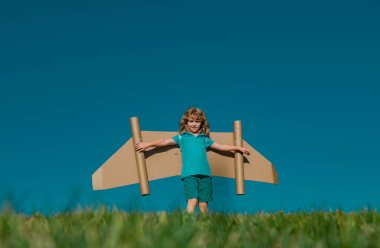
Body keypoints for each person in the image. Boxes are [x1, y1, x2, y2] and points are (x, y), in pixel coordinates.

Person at [134, 107, 249, 214]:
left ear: (202, 124)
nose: (194, 124)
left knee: (204, 204)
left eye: (197, 121)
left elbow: (221, 147)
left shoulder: (205, 139)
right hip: (189, 174)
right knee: (192, 200)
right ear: (186, 123)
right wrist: (147, 144)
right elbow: (163, 142)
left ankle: (205, 226)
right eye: (191, 121)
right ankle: (187, 221)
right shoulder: (181, 138)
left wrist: (237, 148)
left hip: (206, 175)